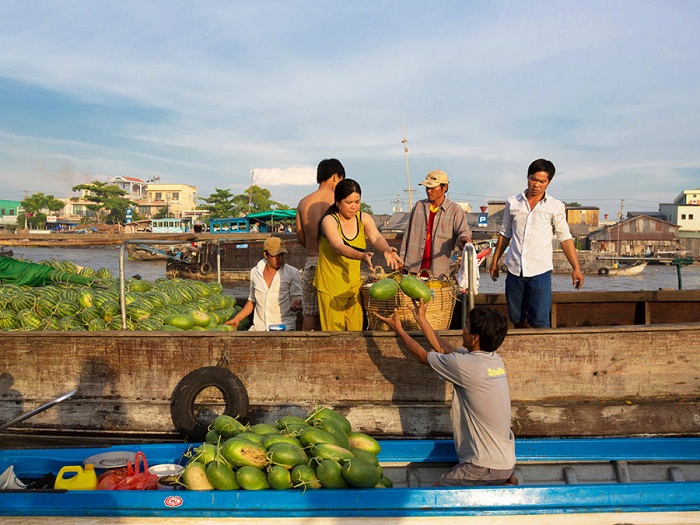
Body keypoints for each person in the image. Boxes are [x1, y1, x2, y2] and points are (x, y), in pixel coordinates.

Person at [375, 302, 517, 487]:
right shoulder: (494, 360)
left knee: (430, 499)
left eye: (466, 326)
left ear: (475, 337)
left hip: (483, 466)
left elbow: (422, 356)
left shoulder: (466, 365)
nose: (462, 330)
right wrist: (421, 319)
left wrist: (399, 330)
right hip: (506, 462)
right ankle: (507, 482)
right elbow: (445, 349)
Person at [489, 159, 584, 328]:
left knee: (540, 320)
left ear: (549, 182)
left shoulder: (555, 206)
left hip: (539, 271)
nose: (536, 185)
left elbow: (565, 238)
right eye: (533, 179)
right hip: (514, 269)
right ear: (527, 177)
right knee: (516, 317)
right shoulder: (513, 202)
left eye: (542, 181)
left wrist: (576, 268)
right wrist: (495, 261)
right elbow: (505, 234)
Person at [314, 178, 403, 331]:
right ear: (338, 202)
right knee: (334, 336)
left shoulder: (363, 218)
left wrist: (386, 249)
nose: (354, 207)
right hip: (331, 287)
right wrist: (361, 256)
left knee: (356, 332)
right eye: (349, 202)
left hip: (353, 287)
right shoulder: (329, 220)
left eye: (357, 201)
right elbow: (338, 246)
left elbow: (376, 237)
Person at [295, 158, 346, 330]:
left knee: (309, 312)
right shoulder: (339, 201)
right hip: (332, 264)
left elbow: (300, 237)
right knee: (333, 310)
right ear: (334, 177)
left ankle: (306, 350)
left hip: (311, 261)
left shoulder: (304, 202)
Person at [400, 169, 471, 278]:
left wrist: (464, 239)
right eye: (427, 188)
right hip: (413, 270)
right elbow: (407, 236)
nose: (429, 191)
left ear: (444, 188)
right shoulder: (419, 207)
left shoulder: (454, 210)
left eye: (432, 188)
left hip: (437, 272)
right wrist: (401, 261)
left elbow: (463, 231)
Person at [225, 237, 302, 331]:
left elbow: (298, 298)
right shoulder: (255, 272)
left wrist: (296, 304)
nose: (280, 259)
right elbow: (252, 301)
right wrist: (237, 319)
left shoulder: (292, 273)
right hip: (259, 328)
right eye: (276, 255)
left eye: (282, 255)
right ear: (266, 255)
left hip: (284, 327)